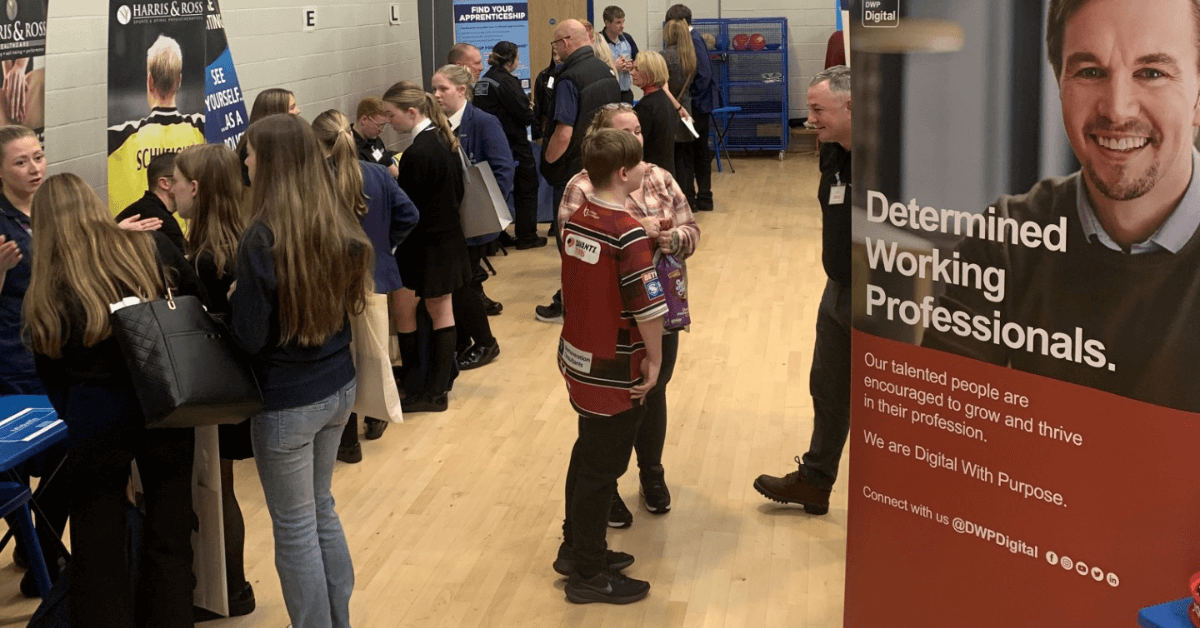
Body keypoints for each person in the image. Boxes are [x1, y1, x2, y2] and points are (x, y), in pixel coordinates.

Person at [918, 0, 1200, 413]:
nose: (1117, 109)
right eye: (1089, 72)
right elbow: (941, 431)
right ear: (1060, 83)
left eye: (1152, 73)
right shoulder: (1006, 239)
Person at [26, 173, 205, 628]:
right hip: (163, 398)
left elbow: (48, 364)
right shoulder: (149, 246)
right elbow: (195, 304)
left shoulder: (49, 280)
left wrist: (78, 413)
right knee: (171, 527)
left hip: (95, 411)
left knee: (96, 540)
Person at [231, 113, 372, 628]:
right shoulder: (336, 215)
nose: (243, 161)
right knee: (321, 510)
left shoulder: (260, 238)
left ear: (265, 162)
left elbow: (250, 336)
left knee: (293, 527)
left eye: (248, 153)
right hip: (338, 387)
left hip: (289, 401)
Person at [557, 104, 700, 527]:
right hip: (612, 328)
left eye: (639, 131)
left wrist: (672, 238)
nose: (638, 140)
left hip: (660, 315)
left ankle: (649, 474)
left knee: (653, 393)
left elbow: (691, 230)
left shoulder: (659, 176)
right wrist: (640, 237)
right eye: (627, 133)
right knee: (612, 417)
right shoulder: (583, 189)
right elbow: (577, 251)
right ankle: (606, 493)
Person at [554, 128, 664, 605]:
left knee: (587, 452)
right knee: (603, 468)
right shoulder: (628, 231)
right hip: (616, 366)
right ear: (624, 173)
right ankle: (589, 573)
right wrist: (656, 357)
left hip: (579, 356)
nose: (645, 170)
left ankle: (575, 546)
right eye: (641, 165)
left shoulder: (579, 216)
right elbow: (646, 306)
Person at [753, 66, 852, 514]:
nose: (810, 119)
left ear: (853, 106)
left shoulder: (893, 157)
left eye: (818, 109)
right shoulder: (831, 149)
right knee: (827, 387)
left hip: (886, 297)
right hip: (838, 288)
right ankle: (815, 481)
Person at [169, 143, 258, 617]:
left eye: (179, 181)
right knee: (222, 490)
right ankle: (233, 587)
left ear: (197, 189)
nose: (173, 188)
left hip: (219, 388)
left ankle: (232, 588)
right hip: (236, 386)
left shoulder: (205, 257)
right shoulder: (239, 238)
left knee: (218, 490)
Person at [311, 109, 418, 460]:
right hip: (375, 273)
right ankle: (374, 416)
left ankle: (346, 441)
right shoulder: (375, 173)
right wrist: (387, 244)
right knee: (374, 349)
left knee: (340, 356)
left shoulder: (310, 181)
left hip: (328, 280)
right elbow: (410, 215)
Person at [0, 124, 70, 600]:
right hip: (13, 361)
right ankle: (39, 548)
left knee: (67, 451)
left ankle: (36, 545)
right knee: (21, 464)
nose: (35, 168)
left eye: (39, 157)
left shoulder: (51, 209)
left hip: (57, 352)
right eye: (21, 162)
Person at [381, 80, 471, 413]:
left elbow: (408, 209)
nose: (390, 121)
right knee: (441, 311)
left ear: (411, 112)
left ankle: (427, 390)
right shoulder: (443, 139)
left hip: (425, 246)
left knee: (423, 310)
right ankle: (439, 384)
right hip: (447, 239)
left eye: (392, 115)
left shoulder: (419, 151)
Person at [535, 18, 622, 324]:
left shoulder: (568, 79)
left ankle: (570, 303)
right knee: (600, 236)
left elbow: (563, 133)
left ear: (567, 43)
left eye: (556, 43)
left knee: (570, 240)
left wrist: (546, 163)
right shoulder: (606, 71)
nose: (555, 50)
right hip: (604, 166)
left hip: (573, 171)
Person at [432, 64, 511, 371]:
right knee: (459, 283)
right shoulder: (438, 124)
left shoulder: (483, 122)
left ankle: (486, 343)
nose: (436, 95)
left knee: (465, 284)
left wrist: (489, 212)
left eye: (443, 89)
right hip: (450, 220)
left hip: (476, 221)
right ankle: (464, 340)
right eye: (434, 89)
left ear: (461, 91)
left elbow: (503, 169)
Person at [107, 35, 205, 213]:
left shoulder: (118, 138)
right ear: (179, 82)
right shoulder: (203, 129)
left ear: (150, 82)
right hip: (191, 240)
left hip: (142, 238)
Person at [475, 40, 548, 250]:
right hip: (513, 143)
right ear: (511, 60)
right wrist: (531, 109)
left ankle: (497, 237)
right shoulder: (507, 82)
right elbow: (524, 115)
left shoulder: (484, 81)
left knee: (496, 191)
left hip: (490, 145)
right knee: (526, 188)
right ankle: (527, 236)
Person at [665, 4, 718, 211]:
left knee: (696, 153)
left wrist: (688, 101)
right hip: (695, 105)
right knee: (696, 153)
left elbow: (704, 75)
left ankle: (702, 197)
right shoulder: (692, 39)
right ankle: (698, 198)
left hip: (696, 106)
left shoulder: (693, 40)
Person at [114, 151, 186, 252]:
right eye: (188, 179)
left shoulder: (142, 209)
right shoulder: (161, 222)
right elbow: (187, 266)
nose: (194, 187)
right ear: (165, 183)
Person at [631, 51, 677, 176]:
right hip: (665, 171)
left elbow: (638, 147)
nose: (632, 72)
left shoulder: (646, 106)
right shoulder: (663, 100)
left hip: (652, 174)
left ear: (650, 73)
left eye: (636, 69)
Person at [663, 19, 698, 167]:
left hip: (670, 110)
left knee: (673, 158)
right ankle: (688, 190)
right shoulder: (690, 57)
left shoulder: (664, 56)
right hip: (686, 108)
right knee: (686, 158)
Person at [351, 96, 400, 178]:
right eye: (379, 125)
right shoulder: (350, 145)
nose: (381, 130)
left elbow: (389, 166)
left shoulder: (375, 138)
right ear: (364, 120)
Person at [600, 6, 639, 103]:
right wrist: (613, 68)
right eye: (618, 22)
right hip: (605, 94)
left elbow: (639, 61)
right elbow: (593, 71)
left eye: (623, 22)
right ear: (607, 23)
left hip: (625, 92)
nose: (622, 26)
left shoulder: (627, 38)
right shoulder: (598, 41)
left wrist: (632, 65)